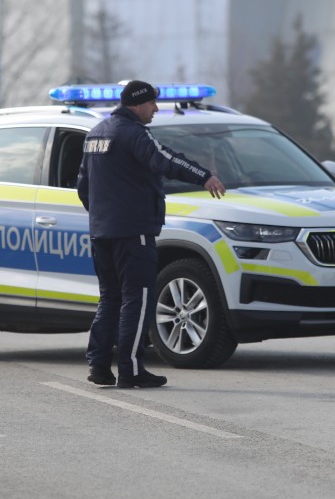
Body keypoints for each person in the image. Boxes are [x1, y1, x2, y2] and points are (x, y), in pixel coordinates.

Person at [76, 80, 226, 389]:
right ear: (137, 104)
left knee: (110, 298)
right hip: (133, 233)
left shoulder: (96, 134)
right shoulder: (133, 134)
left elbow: (83, 186)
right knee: (138, 299)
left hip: (101, 233)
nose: (156, 109)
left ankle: (100, 365)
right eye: (152, 104)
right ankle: (131, 370)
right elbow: (167, 159)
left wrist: (103, 217)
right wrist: (204, 176)